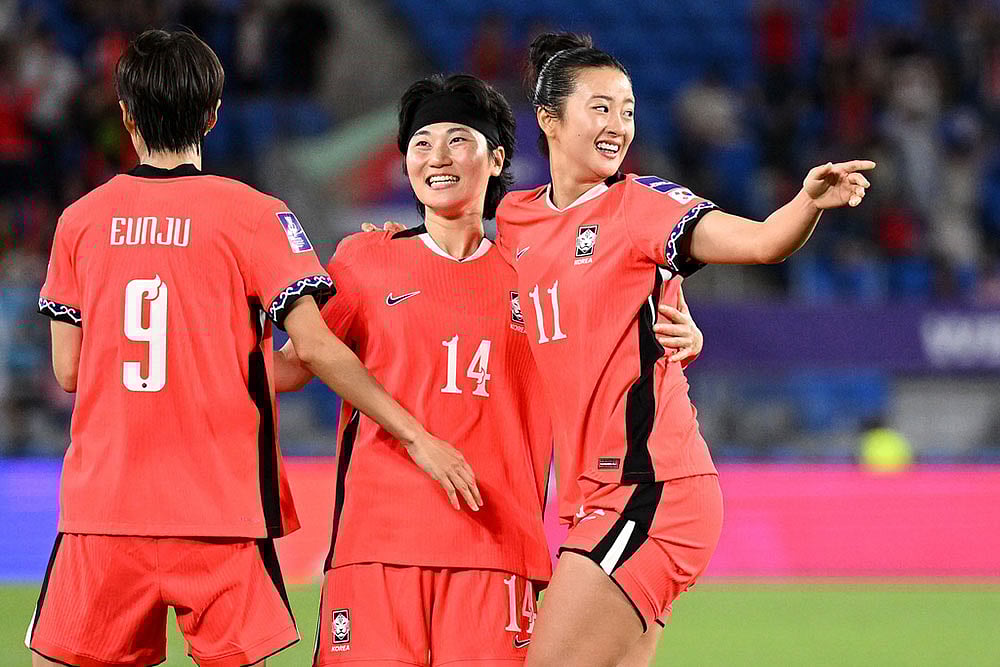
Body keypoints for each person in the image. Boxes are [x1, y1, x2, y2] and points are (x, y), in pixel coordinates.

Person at [27, 29, 475, 667]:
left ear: (124, 114)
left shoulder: (81, 220)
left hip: (105, 509)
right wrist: (415, 434)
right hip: (223, 510)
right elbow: (313, 352)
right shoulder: (255, 213)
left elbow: (69, 370)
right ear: (212, 115)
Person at [496, 32, 875, 667]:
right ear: (548, 119)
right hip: (591, 496)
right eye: (601, 107)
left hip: (650, 487)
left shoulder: (643, 206)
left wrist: (806, 203)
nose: (619, 124)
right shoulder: (515, 219)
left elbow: (759, 243)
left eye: (629, 109)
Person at [274, 73, 549, 666]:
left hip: (496, 547)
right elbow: (295, 366)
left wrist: (686, 331)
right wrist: (192, 363)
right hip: (378, 544)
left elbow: (603, 357)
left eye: (458, 140)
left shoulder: (536, 273)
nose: (437, 158)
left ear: (496, 156)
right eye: (421, 143)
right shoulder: (364, 258)